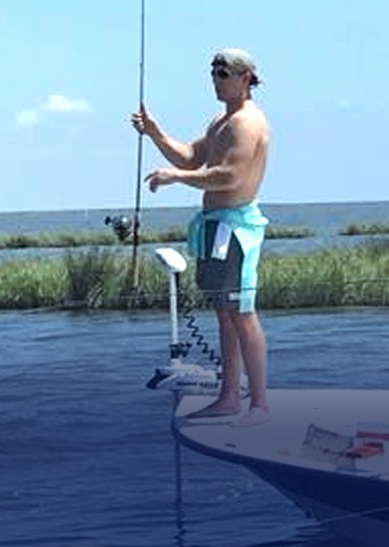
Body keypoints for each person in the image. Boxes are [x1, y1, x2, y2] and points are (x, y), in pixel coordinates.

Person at [133, 48, 274, 425]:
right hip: (214, 227)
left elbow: (229, 175)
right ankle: (229, 396)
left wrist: (175, 178)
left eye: (224, 72)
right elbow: (193, 157)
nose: (216, 78)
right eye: (213, 72)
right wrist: (155, 133)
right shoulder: (220, 121)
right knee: (224, 314)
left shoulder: (247, 123)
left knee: (242, 314)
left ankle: (258, 404)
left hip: (235, 231)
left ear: (246, 78)